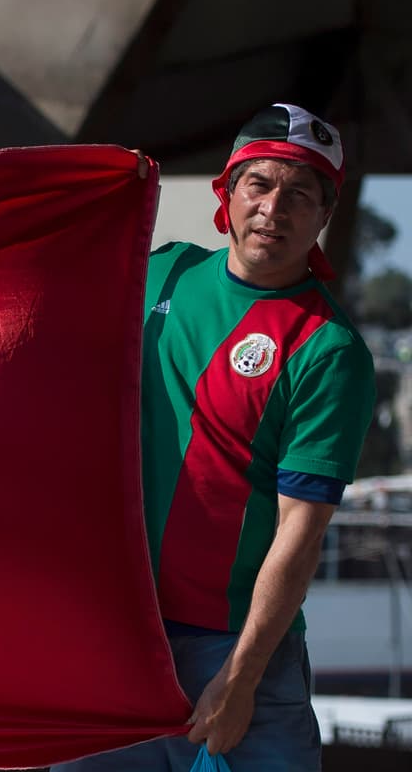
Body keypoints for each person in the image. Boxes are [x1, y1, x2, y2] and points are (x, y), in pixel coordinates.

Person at [56, 103, 376, 771]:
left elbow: (301, 532)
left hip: (233, 650)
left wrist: (241, 677)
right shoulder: (160, 274)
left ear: (325, 216)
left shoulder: (329, 348)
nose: (274, 208)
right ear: (225, 195)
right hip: (116, 636)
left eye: (301, 195)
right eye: (258, 185)